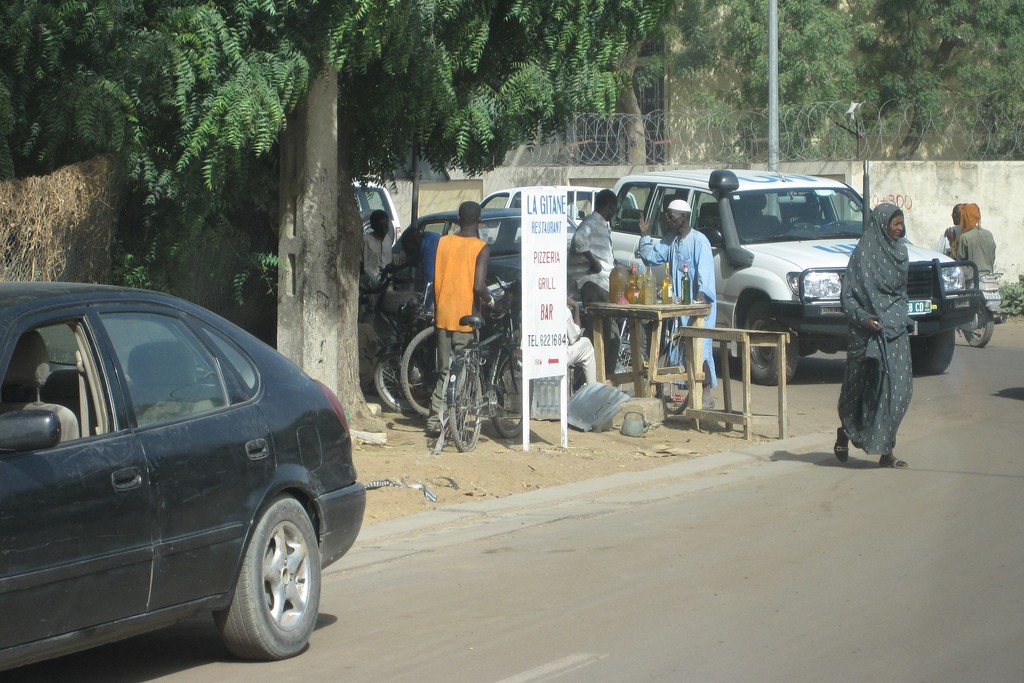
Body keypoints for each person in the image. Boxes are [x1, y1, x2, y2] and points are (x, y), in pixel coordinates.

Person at [833, 203, 913, 469]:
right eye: (896, 224)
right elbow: (848, 298)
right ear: (882, 225)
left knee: (898, 392)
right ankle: (846, 431)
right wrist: (866, 319)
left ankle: (886, 450)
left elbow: (902, 294)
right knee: (866, 392)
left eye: (902, 224)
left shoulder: (901, 253)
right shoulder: (863, 255)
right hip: (866, 334)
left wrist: (896, 317)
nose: (901, 229)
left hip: (895, 330)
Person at [637, 199, 717, 409]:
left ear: (684, 217)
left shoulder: (700, 241)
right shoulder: (671, 241)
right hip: (679, 310)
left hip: (699, 311)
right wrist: (645, 235)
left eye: (671, 215)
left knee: (701, 351)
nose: (668, 218)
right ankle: (687, 398)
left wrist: (696, 305)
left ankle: (705, 398)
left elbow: (705, 279)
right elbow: (650, 257)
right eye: (667, 215)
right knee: (681, 352)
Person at [425, 201, 492, 436]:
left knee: (444, 370)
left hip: (443, 315)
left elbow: (436, 279)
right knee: (461, 370)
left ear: (458, 219)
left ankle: (435, 420)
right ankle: (456, 419)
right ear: (479, 220)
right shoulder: (481, 247)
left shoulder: (443, 242)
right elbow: (479, 286)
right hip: (467, 318)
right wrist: (491, 301)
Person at [568, 188, 619, 372]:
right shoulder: (591, 222)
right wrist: (594, 262)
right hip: (594, 284)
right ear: (608, 206)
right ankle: (595, 375)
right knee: (602, 333)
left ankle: (604, 374)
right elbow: (578, 240)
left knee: (610, 334)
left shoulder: (603, 224)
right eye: (614, 208)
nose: (614, 212)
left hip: (603, 284)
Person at [953, 203, 997, 275]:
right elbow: (993, 257)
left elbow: (959, 262)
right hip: (989, 278)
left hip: (973, 281)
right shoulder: (989, 234)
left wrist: (952, 243)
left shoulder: (965, 237)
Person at [566, 298, 597, 386]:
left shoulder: (531, 307)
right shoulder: (564, 311)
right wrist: (576, 307)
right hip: (557, 358)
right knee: (587, 344)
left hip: (533, 356)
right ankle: (592, 387)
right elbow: (576, 336)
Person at [361, 209, 395, 289]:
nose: (383, 231)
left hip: (386, 285)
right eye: (380, 227)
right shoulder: (365, 240)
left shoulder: (388, 240)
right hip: (369, 286)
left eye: (385, 227)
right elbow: (359, 264)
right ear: (372, 226)